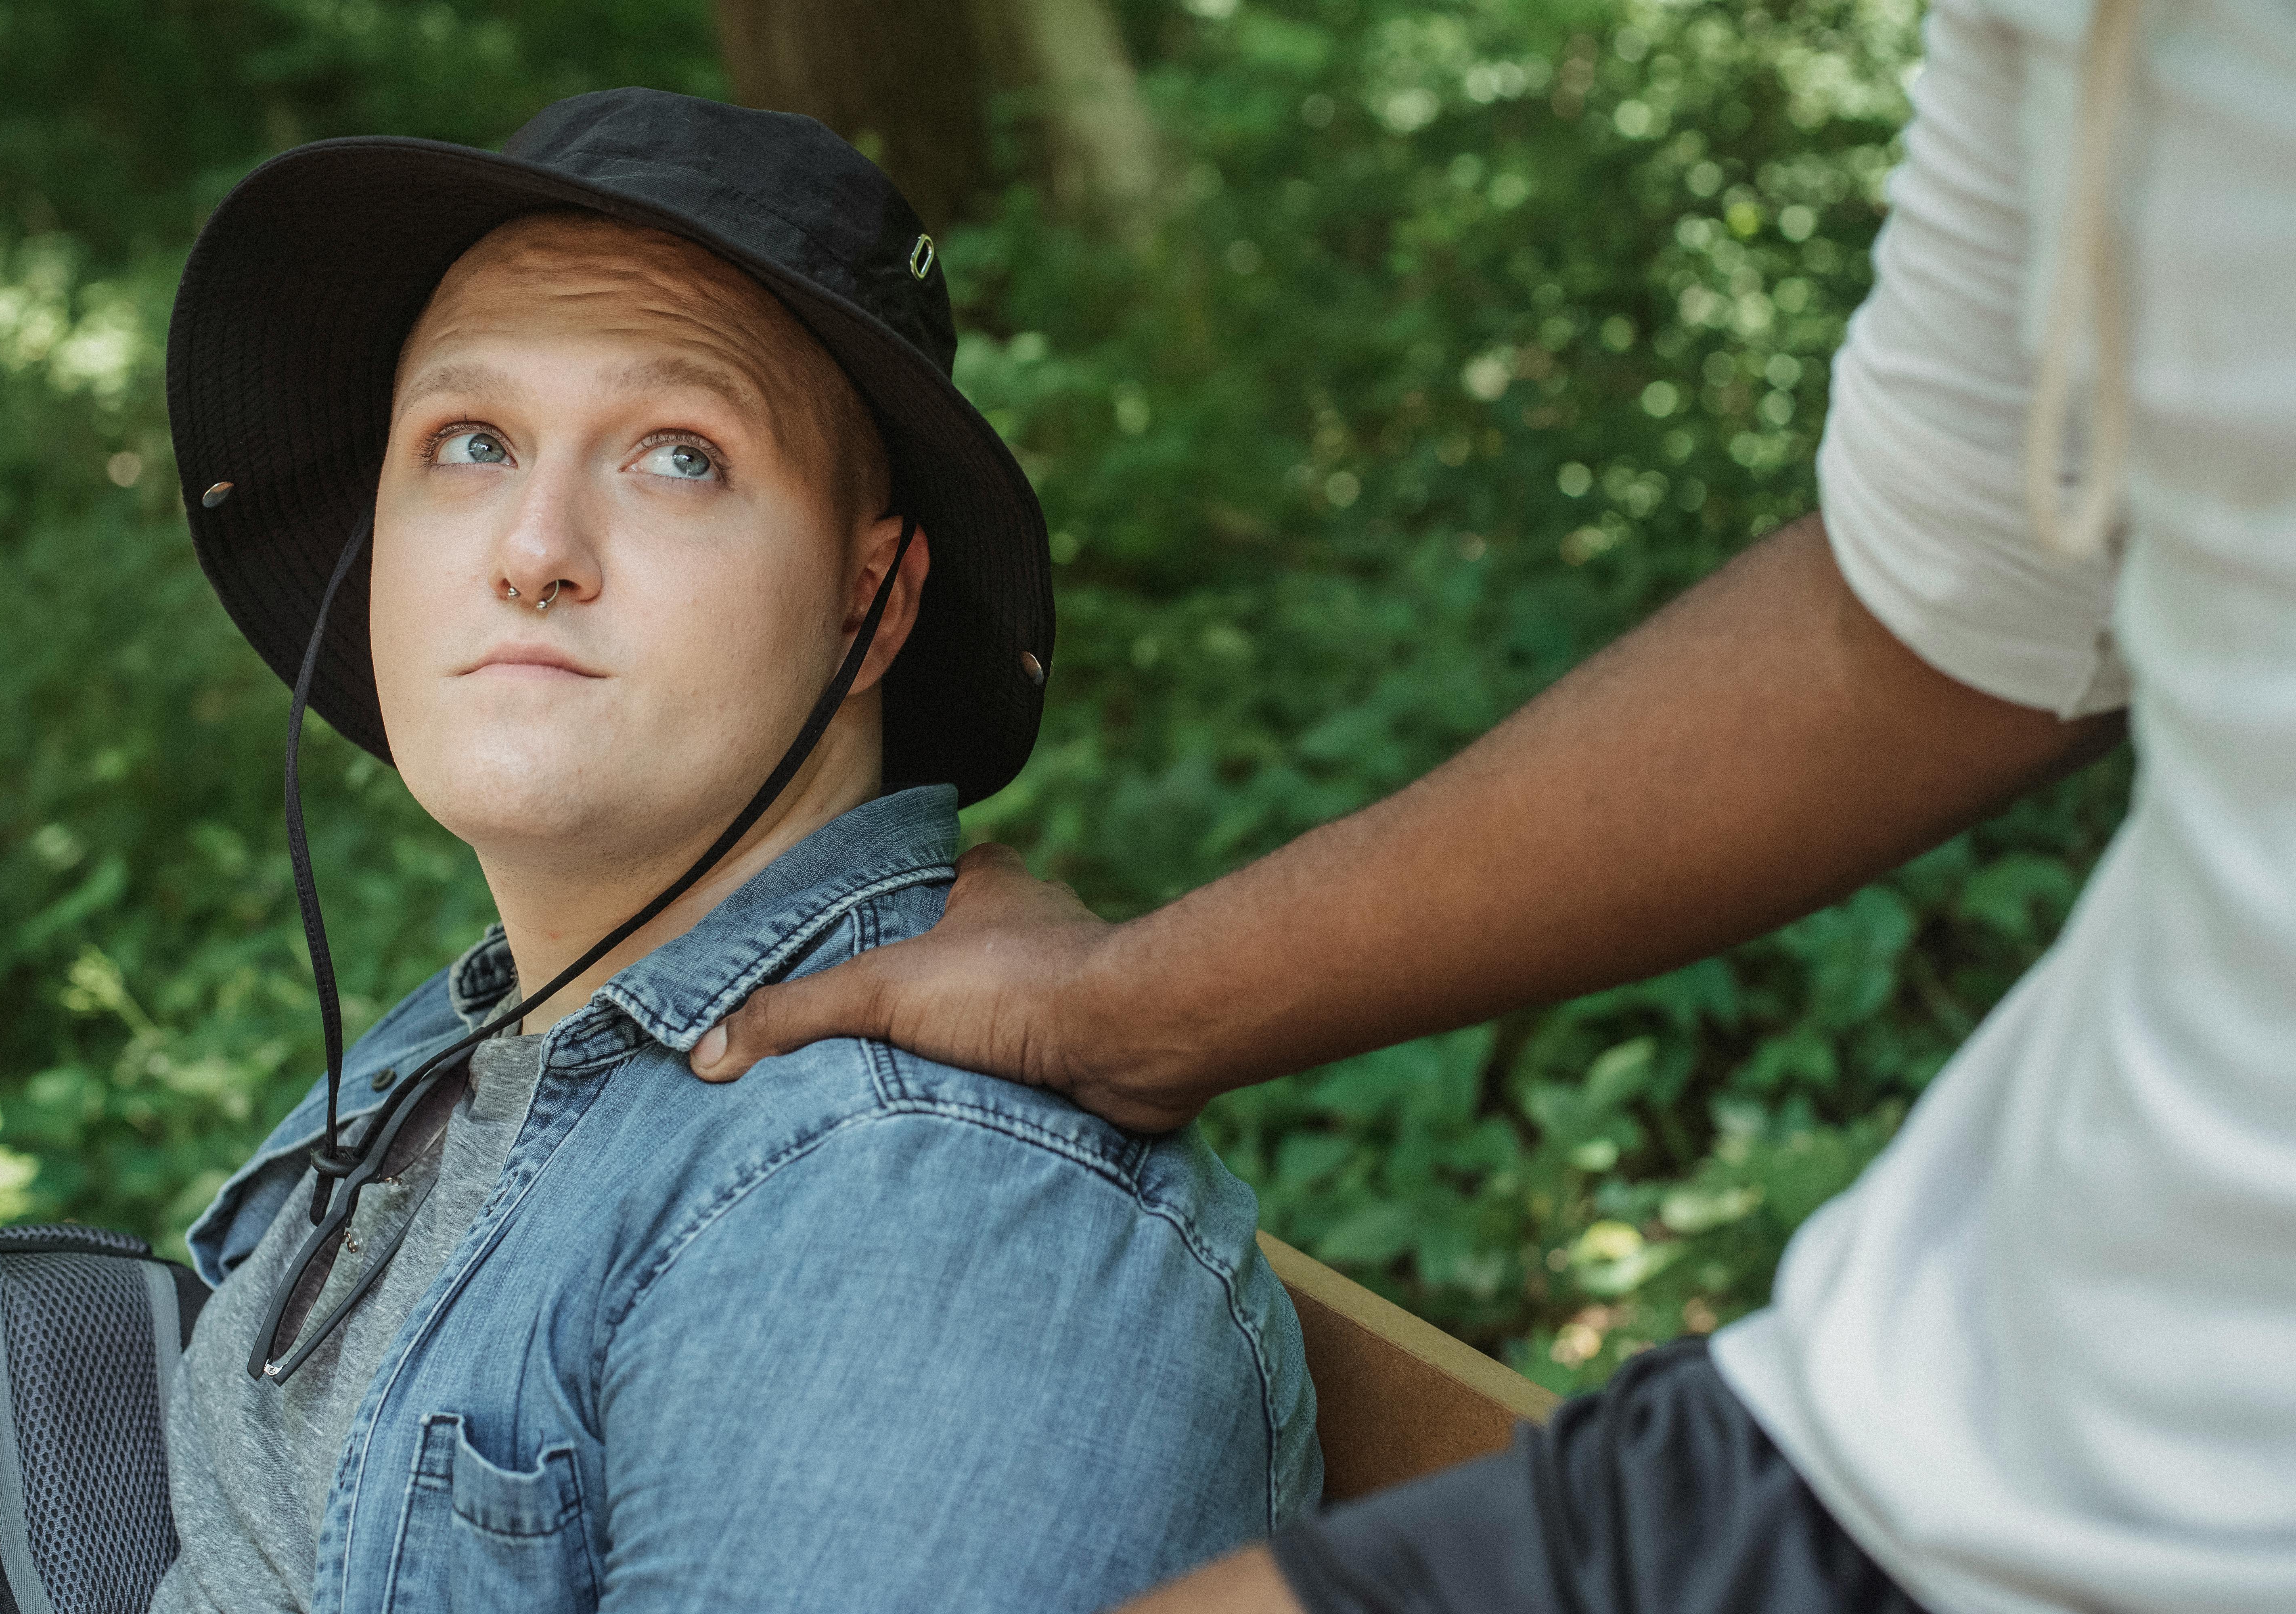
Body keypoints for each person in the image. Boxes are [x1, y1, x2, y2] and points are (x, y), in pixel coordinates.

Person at [686, 0, 2296, 1609]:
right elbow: (1961, 600)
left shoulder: (921, 1188)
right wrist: (1124, 1008)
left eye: (682, 458)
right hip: (1949, 1443)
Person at [149, 90, 1318, 1613]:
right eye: (472, 439)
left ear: (874, 601)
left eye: (680, 456)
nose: (534, 547)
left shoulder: (920, 1210)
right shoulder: (493, 1039)